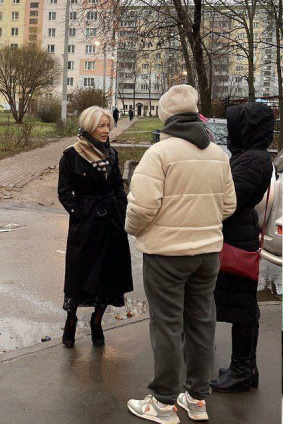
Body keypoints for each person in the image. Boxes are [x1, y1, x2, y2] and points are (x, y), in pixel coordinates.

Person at [125, 85, 236, 424]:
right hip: (207, 254)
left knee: (167, 326)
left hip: (166, 256)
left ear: (165, 115)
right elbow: (229, 205)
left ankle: (162, 403)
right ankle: (198, 398)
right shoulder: (218, 153)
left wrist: (135, 229)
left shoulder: (160, 153)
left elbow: (141, 208)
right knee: (201, 323)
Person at [211, 103, 274, 393]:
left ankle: (241, 371)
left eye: (237, 124)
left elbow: (229, 201)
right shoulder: (253, 156)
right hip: (240, 234)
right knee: (244, 305)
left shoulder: (251, 160)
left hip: (237, 237)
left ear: (247, 128)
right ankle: (248, 367)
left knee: (242, 307)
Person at [58, 106, 133, 349]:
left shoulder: (112, 153)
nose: (106, 130)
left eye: (107, 125)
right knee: (79, 272)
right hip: (86, 222)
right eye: (101, 125)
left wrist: (120, 209)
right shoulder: (70, 156)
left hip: (111, 220)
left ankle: (97, 321)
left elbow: (119, 186)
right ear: (89, 126)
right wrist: (77, 213)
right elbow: (64, 192)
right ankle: (71, 320)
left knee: (109, 274)